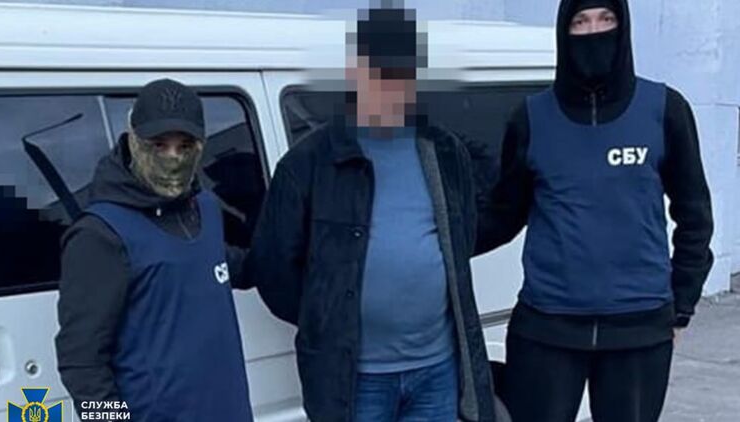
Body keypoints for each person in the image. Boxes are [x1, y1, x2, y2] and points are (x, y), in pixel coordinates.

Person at [243, 5, 502, 422]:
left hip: (436, 369)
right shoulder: (309, 163)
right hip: (354, 378)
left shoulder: (444, 151)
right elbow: (273, 269)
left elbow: (462, 235)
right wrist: (326, 317)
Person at [475, 1, 715, 421]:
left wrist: (681, 305)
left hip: (638, 329)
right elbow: (503, 214)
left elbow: (694, 215)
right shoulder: (530, 118)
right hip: (547, 326)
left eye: (606, 19)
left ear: (623, 27)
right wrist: (433, 239)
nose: (594, 31)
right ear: (563, 31)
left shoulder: (665, 109)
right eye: (580, 21)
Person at [55, 79, 253, 421]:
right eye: (158, 144)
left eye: (184, 145)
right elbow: (81, 362)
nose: (172, 158)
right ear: (133, 141)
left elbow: (226, 263)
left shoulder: (205, 208)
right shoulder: (100, 235)